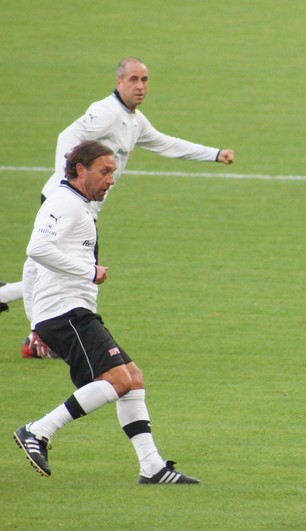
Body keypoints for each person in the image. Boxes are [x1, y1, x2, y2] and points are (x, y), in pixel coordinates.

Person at [2, 56, 235, 359]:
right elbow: (67, 136)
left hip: (84, 208)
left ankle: (12, 303)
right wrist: (66, 185)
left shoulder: (135, 120)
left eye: (145, 80)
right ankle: (38, 338)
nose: (140, 86)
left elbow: (166, 143)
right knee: (63, 270)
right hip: (66, 204)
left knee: (63, 270)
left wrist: (214, 154)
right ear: (119, 82)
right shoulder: (106, 112)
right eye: (133, 79)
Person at [13, 140, 199, 484]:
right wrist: (88, 272)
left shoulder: (80, 204)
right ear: (80, 170)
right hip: (65, 311)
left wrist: (35, 319)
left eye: (113, 171)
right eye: (105, 171)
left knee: (132, 378)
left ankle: (152, 467)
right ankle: (38, 430)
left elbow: (31, 267)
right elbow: (36, 249)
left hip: (71, 311)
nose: (112, 179)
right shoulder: (64, 203)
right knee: (117, 380)